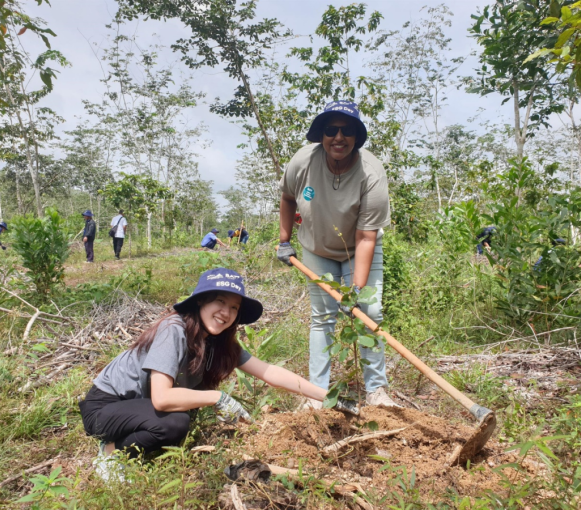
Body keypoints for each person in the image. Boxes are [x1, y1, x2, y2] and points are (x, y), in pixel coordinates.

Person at [78, 268, 358, 481]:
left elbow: (270, 373)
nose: (226, 313)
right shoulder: (173, 329)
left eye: (234, 307)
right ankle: (110, 453)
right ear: (200, 302)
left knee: (180, 421)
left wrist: (331, 398)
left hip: (140, 408)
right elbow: (162, 399)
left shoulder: (219, 342)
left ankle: (130, 441)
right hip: (106, 408)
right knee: (175, 421)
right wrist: (218, 398)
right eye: (220, 302)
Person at [276, 100, 400, 409]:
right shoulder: (302, 162)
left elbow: (366, 236)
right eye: (331, 130)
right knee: (322, 318)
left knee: (369, 313)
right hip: (316, 248)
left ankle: (376, 390)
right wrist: (284, 240)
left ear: (357, 136)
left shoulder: (371, 173)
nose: (339, 138)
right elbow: (288, 197)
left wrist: (356, 289)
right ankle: (317, 393)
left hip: (358, 248)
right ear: (321, 134)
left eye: (347, 131)